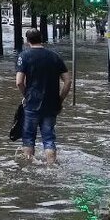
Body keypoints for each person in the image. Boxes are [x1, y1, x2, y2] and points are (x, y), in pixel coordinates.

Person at [15, 28, 72, 165]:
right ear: (41, 38)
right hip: (51, 104)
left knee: (28, 138)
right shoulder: (55, 56)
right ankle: (51, 168)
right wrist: (60, 99)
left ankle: (28, 169)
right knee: (49, 139)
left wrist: (26, 96)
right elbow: (68, 81)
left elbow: (19, 82)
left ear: (27, 40)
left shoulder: (24, 56)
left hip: (32, 104)